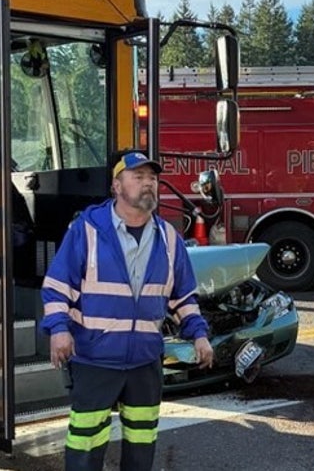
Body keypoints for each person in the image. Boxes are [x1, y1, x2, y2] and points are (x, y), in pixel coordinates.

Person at [40, 151, 215, 471]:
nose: (148, 184)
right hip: (95, 358)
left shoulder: (169, 239)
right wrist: (59, 329)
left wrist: (199, 335)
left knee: (141, 444)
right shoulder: (87, 230)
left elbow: (183, 298)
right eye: (138, 177)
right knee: (85, 445)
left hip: (144, 363)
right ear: (116, 186)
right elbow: (56, 286)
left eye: (153, 178)